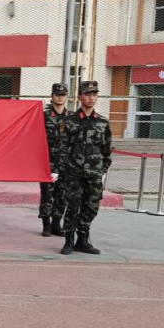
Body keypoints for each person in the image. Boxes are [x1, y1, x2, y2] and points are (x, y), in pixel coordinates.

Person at [60, 81, 112, 256]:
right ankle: (69, 241)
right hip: (74, 172)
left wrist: (103, 170)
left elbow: (106, 149)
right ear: (80, 96)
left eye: (94, 94)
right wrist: (63, 172)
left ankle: (82, 240)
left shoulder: (103, 122)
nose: (91, 98)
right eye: (87, 94)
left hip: (94, 173)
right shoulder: (69, 121)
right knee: (73, 206)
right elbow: (62, 149)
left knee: (91, 207)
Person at [40, 83, 70, 237]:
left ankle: (56, 225)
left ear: (66, 97)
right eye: (57, 95)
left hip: (65, 163)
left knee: (62, 196)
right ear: (52, 96)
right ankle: (46, 225)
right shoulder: (43, 116)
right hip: (48, 163)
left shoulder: (71, 117)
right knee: (47, 195)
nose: (60, 97)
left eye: (63, 95)